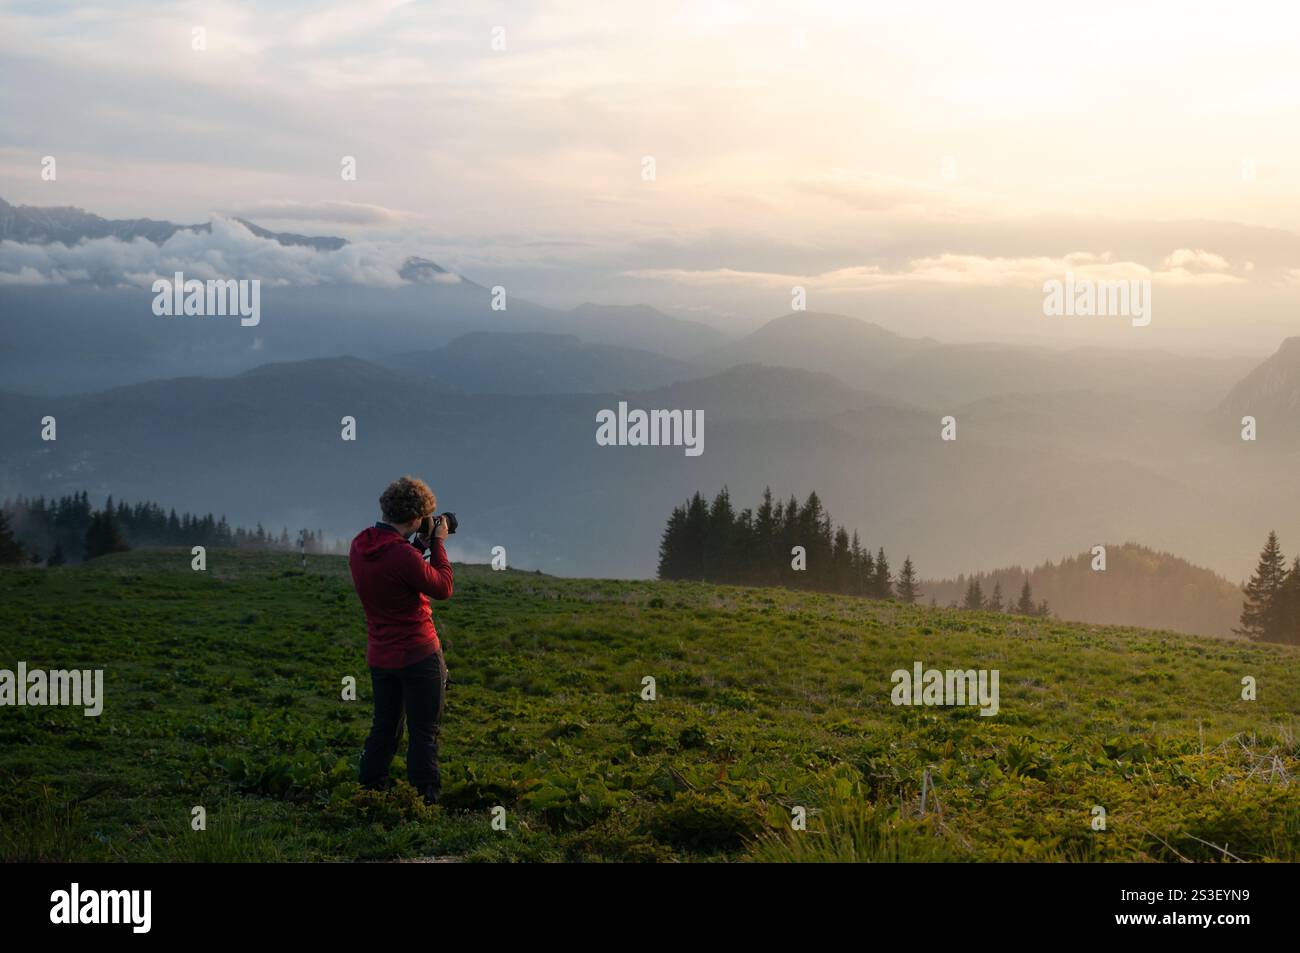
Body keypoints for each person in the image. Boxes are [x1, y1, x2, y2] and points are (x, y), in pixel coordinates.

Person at [348, 475, 453, 805]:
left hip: (381, 656)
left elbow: (400, 563)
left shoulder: (361, 545)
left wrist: (418, 543)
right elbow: (443, 588)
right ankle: (426, 801)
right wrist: (438, 542)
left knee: (384, 728)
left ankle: (369, 794)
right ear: (416, 518)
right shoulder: (403, 557)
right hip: (419, 655)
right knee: (424, 732)